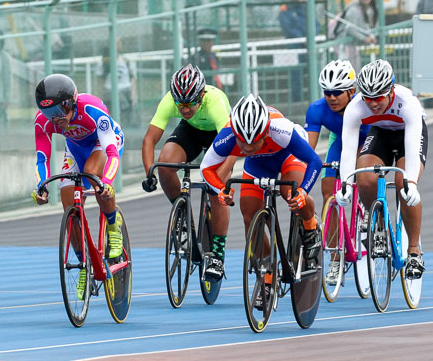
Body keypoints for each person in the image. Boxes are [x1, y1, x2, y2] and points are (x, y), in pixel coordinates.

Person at [200, 94, 323, 307]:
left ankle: (310, 226)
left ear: (265, 132)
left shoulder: (281, 129)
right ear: (235, 133)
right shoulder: (227, 136)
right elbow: (206, 169)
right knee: (249, 215)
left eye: (254, 140)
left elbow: (314, 160)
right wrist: (220, 190)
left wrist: (303, 190)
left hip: (287, 156)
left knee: (291, 194)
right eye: (242, 141)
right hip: (257, 165)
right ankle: (267, 272)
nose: (247, 147)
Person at [31, 74, 125, 299]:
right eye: (48, 113)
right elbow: (41, 160)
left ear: (71, 103)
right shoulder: (42, 122)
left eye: (59, 111)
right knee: (69, 207)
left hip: (102, 145)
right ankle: (85, 264)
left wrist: (108, 184)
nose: (55, 119)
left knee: (93, 175)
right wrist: (41, 186)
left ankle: (113, 224)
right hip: (75, 150)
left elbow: (111, 152)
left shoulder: (93, 110)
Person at [335, 59, 427, 280]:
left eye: (378, 98)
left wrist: (411, 182)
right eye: (367, 98)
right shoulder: (355, 108)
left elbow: (412, 147)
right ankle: (377, 226)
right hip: (380, 133)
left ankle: (414, 251)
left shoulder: (408, 103)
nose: (373, 103)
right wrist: (346, 183)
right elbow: (348, 151)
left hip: (409, 135)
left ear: (391, 90)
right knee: (364, 178)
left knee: (402, 185)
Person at [141, 64, 234, 281]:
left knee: (216, 190)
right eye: (180, 104)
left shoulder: (216, 102)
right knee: (165, 165)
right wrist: (149, 174)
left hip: (219, 138)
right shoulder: (171, 100)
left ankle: (218, 255)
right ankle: (182, 217)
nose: (184, 109)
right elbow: (149, 140)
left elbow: (232, 146)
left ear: (201, 94)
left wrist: (221, 177)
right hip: (191, 132)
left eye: (190, 103)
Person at [304, 59, 368, 285]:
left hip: (367, 140)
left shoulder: (364, 106)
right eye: (327, 92)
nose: (331, 97)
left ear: (351, 91)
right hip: (340, 141)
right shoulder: (317, 109)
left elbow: (364, 147)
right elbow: (308, 150)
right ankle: (334, 258)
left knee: (363, 175)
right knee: (328, 192)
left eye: (337, 92)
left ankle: (371, 216)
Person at [279, 0, 320, 100]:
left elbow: (316, 24)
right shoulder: (285, 8)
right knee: (296, 74)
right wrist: (303, 39)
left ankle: (314, 98)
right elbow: (288, 28)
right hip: (294, 47)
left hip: (309, 47)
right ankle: (297, 100)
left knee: (314, 72)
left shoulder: (306, 7)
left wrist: (310, 38)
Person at [96, 37, 137, 127]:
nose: (117, 46)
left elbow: (133, 78)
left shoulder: (126, 61)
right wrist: (100, 96)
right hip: (110, 91)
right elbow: (100, 81)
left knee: (129, 110)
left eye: (118, 43)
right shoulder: (103, 62)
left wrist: (133, 94)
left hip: (126, 90)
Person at [337, 0, 378, 67]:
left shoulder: (370, 10)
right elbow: (351, 29)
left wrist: (371, 36)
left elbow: (368, 27)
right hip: (343, 45)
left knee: (355, 68)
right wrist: (365, 38)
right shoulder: (353, 9)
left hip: (354, 46)